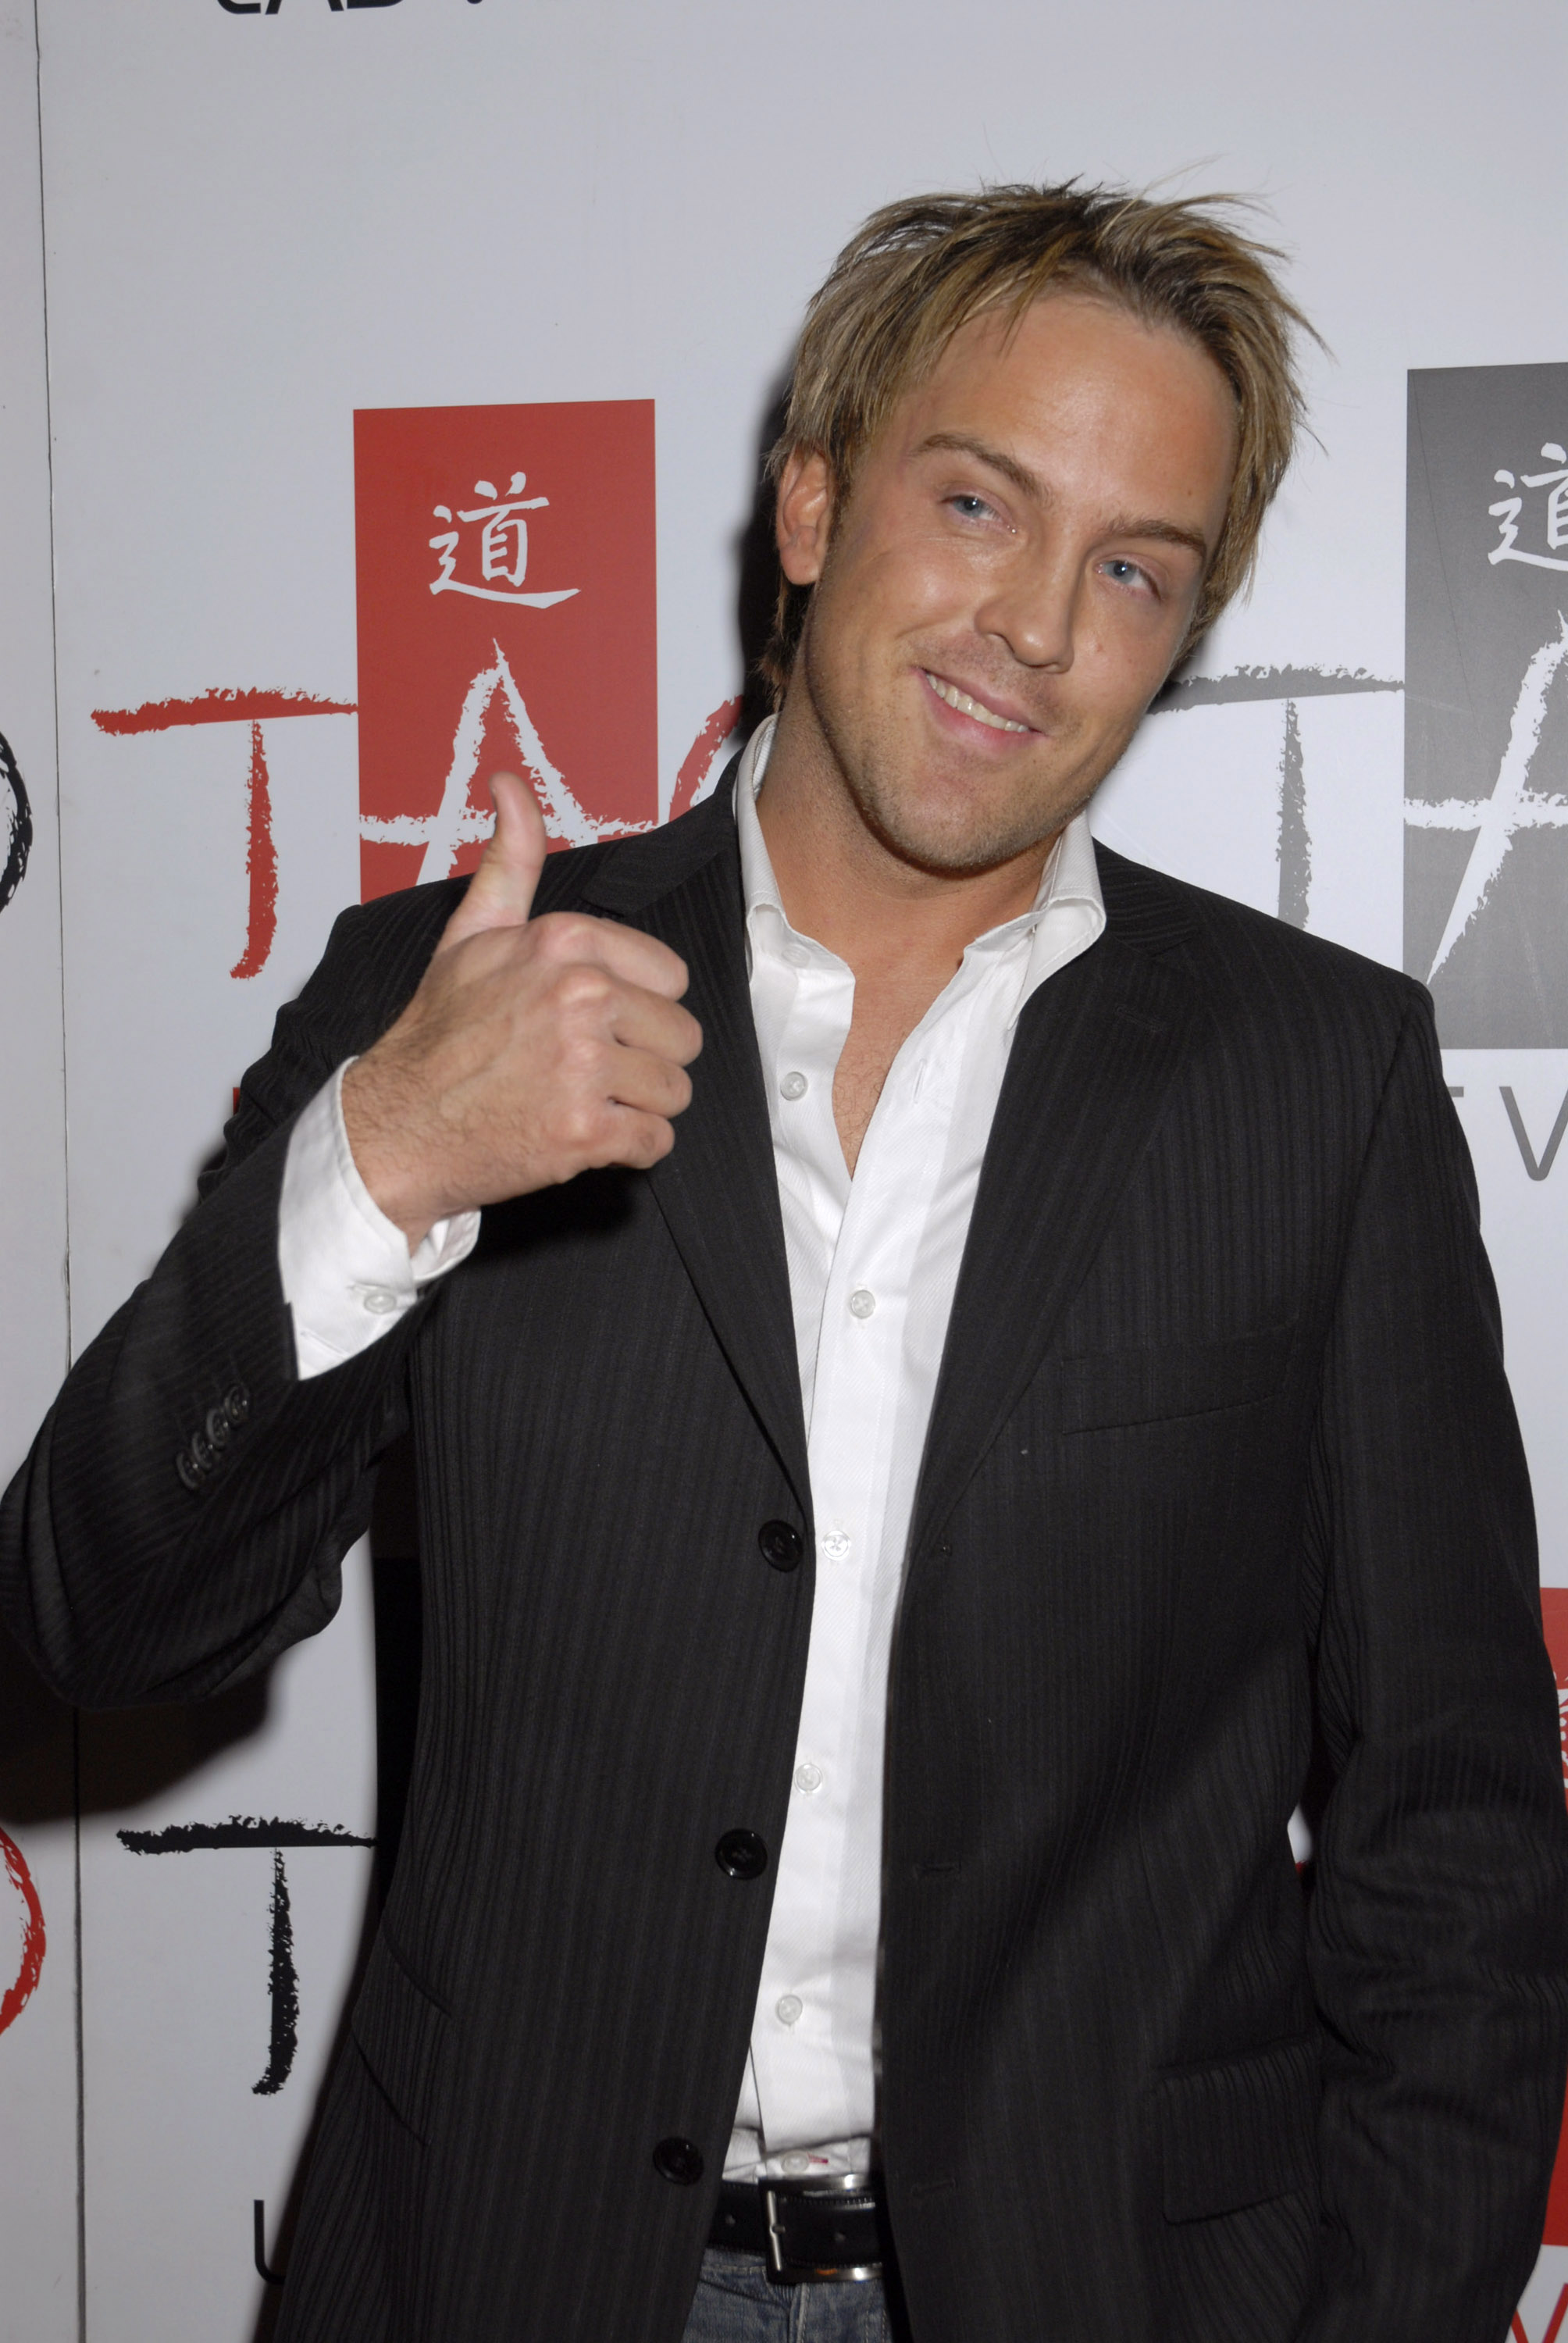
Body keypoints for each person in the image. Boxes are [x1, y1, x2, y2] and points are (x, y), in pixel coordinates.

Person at [4, 182, 1566, 2343]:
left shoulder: (1322, 1082)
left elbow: (1459, 1838)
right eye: (976, 501)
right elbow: (99, 1619)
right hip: (516, 2273)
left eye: (1133, 568)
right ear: (815, 501)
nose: (1034, 623)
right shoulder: (437, 988)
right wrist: (385, 1158)